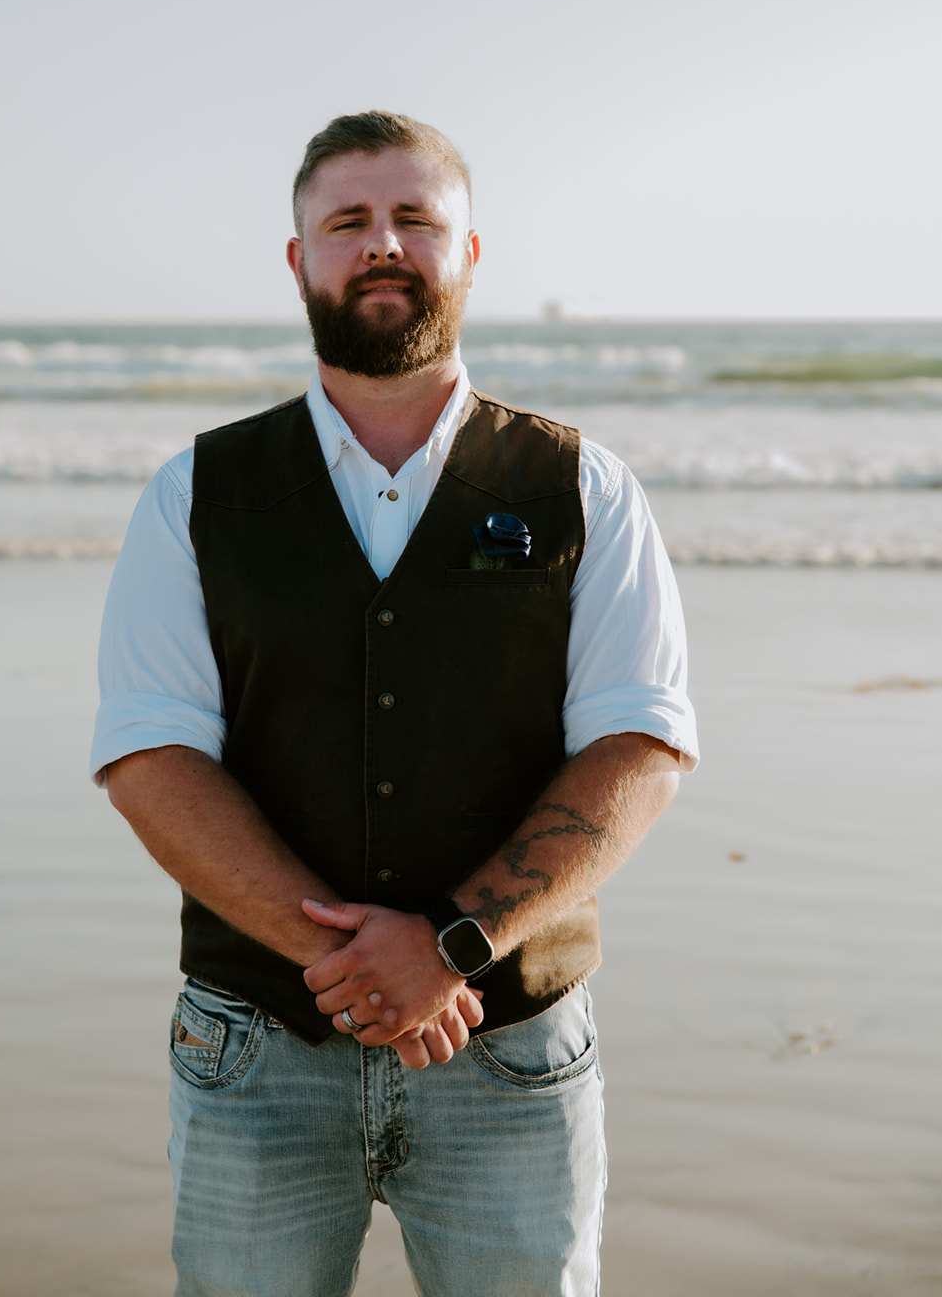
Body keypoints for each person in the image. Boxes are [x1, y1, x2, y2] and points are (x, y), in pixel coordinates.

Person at [91, 111, 699, 1297]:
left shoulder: (584, 487)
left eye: (417, 218)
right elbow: (152, 755)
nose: (383, 244)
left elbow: (640, 745)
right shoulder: (194, 496)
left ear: (469, 253)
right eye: (348, 221)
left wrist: (451, 947)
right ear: (300, 259)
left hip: (512, 1050)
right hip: (255, 1054)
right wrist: (362, 969)